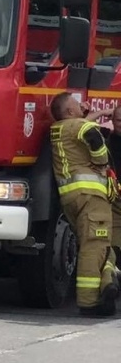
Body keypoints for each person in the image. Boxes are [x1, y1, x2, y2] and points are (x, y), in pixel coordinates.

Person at [48, 91, 121, 317]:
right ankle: (90, 302)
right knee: (94, 246)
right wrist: (101, 159)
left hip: (72, 198)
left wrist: (93, 113)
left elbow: (81, 124)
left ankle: (107, 282)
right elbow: (91, 133)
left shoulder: (58, 129)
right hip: (91, 197)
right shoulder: (78, 126)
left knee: (100, 245)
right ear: (70, 111)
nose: (82, 106)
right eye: (77, 105)